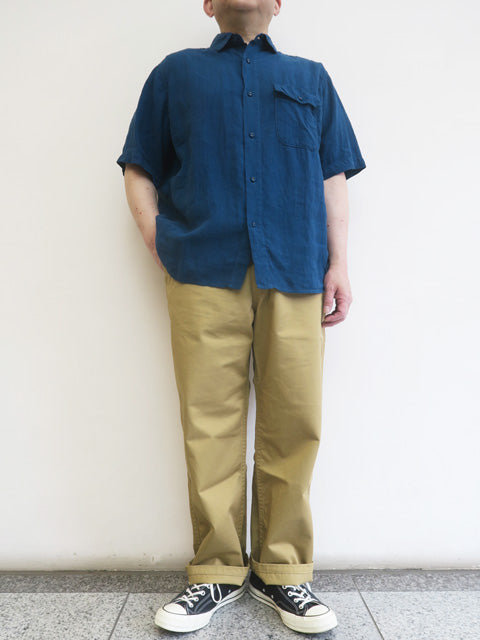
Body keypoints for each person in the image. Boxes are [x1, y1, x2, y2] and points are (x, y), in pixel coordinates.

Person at [116, 0, 365, 634]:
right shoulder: (175, 73)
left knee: (295, 421)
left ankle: (283, 572)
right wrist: (156, 236)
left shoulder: (311, 79)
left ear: (279, 4)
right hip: (203, 270)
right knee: (209, 423)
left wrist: (339, 263)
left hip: (296, 267)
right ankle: (217, 572)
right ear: (207, 4)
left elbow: (332, 174)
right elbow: (139, 164)